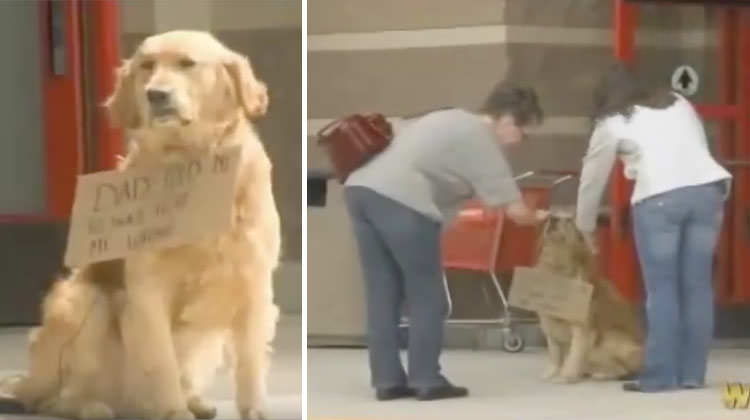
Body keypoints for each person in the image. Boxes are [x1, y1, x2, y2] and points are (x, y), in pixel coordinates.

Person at [343, 82, 548, 401]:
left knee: (382, 292)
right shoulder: (481, 139)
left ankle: (386, 381)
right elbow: (516, 210)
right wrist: (541, 217)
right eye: (523, 130)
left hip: (360, 191)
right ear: (507, 119)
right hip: (403, 200)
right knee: (428, 295)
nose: (520, 139)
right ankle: (426, 379)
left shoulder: (445, 118)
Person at [575, 63, 731, 392]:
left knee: (662, 289)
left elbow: (593, 178)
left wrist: (585, 225)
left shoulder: (612, 122)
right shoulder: (679, 102)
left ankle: (660, 376)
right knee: (698, 286)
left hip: (659, 198)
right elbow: (698, 149)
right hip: (708, 193)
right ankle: (692, 375)